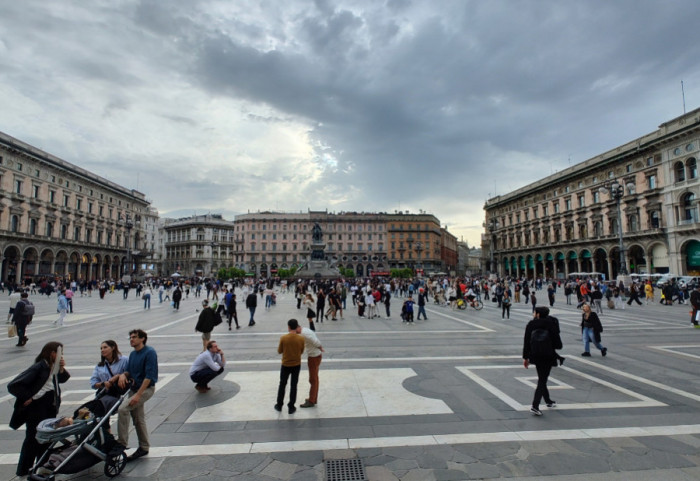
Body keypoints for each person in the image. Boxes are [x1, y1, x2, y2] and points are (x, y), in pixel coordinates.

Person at [8, 341, 70, 477]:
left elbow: (63, 378)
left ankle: (42, 465)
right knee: (33, 438)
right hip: (37, 407)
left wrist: (61, 368)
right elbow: (13, 385)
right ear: (53, 353)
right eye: (60, 353)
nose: (62, 356)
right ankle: (24, 469)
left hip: (49, 406)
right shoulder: (39, 367)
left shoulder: (51, 367)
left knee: (47, 437)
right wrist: (27, 397)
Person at [111, 329, 158, 462]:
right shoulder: (133, 354)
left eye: (135, 337)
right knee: (138, 418)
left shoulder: (150, 352)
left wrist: (138, 395)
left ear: (142, 339)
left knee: (123, 409)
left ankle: (122, 442)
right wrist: (121, 375)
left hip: (145, 389)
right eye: (130, 337)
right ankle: (144, 447)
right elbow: (130, 372)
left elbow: (149, 377)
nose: (132, 339)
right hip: (135, 389)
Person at [522, 306, 563, 416]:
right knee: (542, 379)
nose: (533, 314)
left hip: (535, 355)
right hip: (548, 355)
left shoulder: (531, 324)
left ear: (538, 314)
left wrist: (525, 358)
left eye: (534, 312)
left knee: (542, 378)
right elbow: (558, 344)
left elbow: (526, 342)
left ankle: (548, 401)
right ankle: (535, 406)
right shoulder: (551, 324)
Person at [275, 319, 305, 414]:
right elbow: (302, 351)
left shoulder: (283, 338)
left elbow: (279, 351)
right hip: (296, 364)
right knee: (294, 385)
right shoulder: (301, 338)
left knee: (282, 384)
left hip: (285, 364)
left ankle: (279, 405)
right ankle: (291, 406)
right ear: (296, 327)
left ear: (288, 327)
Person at [297, 323, 324, 408]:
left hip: (314, 357)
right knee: (315, 378)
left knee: (313, 379)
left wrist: (320, 347)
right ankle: (313, 398)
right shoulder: (305, 330)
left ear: (297, 328)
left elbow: (316, 341)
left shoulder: (304, 334)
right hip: (315, 355)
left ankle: (311, 401)